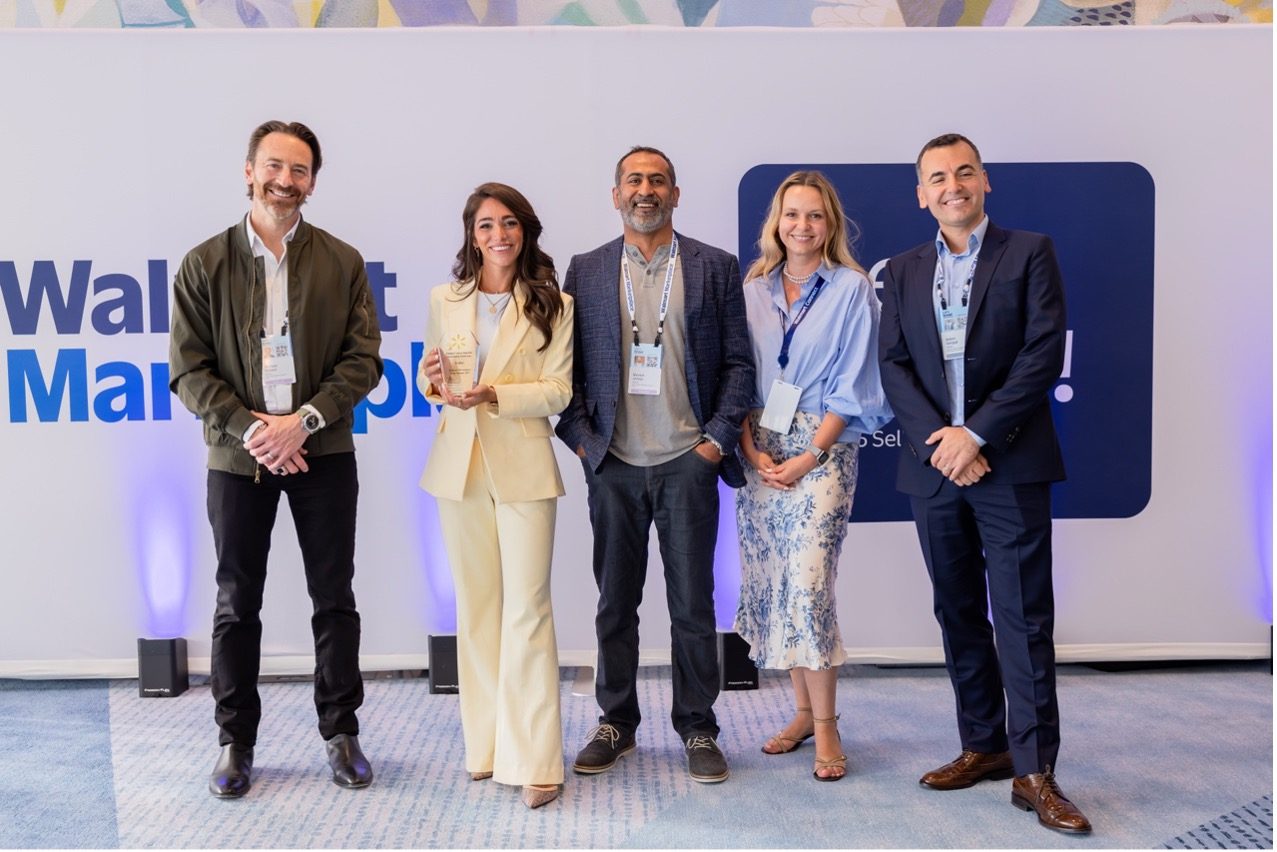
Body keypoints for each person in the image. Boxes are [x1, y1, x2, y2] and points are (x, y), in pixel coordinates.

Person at [877, 133, 1091, 833]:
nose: (950, 185)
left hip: (1010, 461)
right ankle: (983, 746)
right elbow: (894, 366)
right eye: (936, 177)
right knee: (957, 611)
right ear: (920, 193)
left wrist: (977, 434)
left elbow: (1040, 353)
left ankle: (1035, 772)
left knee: (1023, 618)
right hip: (935, 469)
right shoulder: (904, 270)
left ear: (983, 180)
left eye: (962, 172)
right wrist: (944, 444)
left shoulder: (1028, 251)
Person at [169, 120, 384, 798]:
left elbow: (363, 361)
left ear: (312, 182)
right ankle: (235, 742)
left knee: (334, 599)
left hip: (324, 451)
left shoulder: (342, 261)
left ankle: (341, 732)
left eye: (298, 170)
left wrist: (304, 422)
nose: (284, 180)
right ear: (247, 170)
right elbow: (188, 370)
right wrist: (250, 430)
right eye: (273, 166)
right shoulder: (203, 263)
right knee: (237, 603)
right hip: (239, 461)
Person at [555, 146, 755, 784]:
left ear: (676, 192)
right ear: (615, 194)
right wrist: (587, 446)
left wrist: (714, 445)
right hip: (612, 462)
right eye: (634, 181)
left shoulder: (714, 266)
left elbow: (738, 366)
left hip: (685, 462)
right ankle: (616, 721)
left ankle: (697, 725)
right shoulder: (584, 270)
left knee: (694, 603)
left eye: (658, 180)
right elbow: (563, 374)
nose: (646, 190)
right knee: (616, 601)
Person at [417, 182, 573, 810]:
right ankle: (484, 748)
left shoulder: (552, 304)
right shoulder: (444, 298)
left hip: (524, 466)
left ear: (524, 230)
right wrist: (430, 382)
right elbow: (435, 382)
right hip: (458, 468)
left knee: (527, 609)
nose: (498, 235)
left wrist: (496, 395)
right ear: (471, 234)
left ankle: (536, 761)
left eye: (508, 223)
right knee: (477, 610)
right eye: (486, 225)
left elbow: (559, 391)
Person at [733, 171, 892, 782]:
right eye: (791, 215)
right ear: (776, 222)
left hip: (821, 448)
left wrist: (809, 454)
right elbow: (739, 377)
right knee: (776, 584)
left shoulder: (852, 288)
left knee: (809, 585)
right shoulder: (753, 289)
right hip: (761, 452)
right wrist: (749, 445)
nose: (802, 226)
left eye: (815, 216)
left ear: (831, 225)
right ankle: (801, 715)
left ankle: (827, 729)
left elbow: (856, 385)